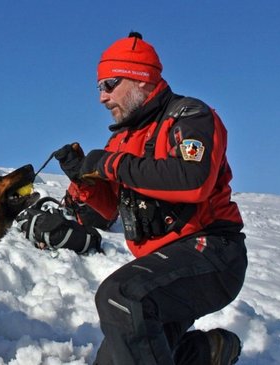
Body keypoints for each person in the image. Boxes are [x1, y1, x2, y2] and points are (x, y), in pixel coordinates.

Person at [54, 32, 247, 364]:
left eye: (109, 84)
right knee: (121, 355)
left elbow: (192, 181)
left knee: (121, 297)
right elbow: (115, 210)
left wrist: (110, 164)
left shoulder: (190, 118)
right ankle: (208, 352)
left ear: (141, 79)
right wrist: (82, 181)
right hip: (161, 268)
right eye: (99, 87)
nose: (102, 97)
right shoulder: (124, 139)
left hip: (212, 254)